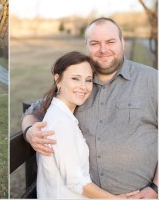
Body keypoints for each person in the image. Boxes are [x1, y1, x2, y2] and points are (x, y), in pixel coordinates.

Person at [22, 18, 158, 198]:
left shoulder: (151, 80)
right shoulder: (78, 85)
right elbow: (34, 112)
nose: (103, 50)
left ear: (122, 43)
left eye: (110, 42)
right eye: (95, 43)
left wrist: (156, 188)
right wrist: (29, 131)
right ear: (87, 45)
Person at [37, 51, 137, 198]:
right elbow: (76, 182)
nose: (83, 87)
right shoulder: (60, 123)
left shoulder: (64, 115)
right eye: (75, 79)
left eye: (88, 80)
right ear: (58, 79)